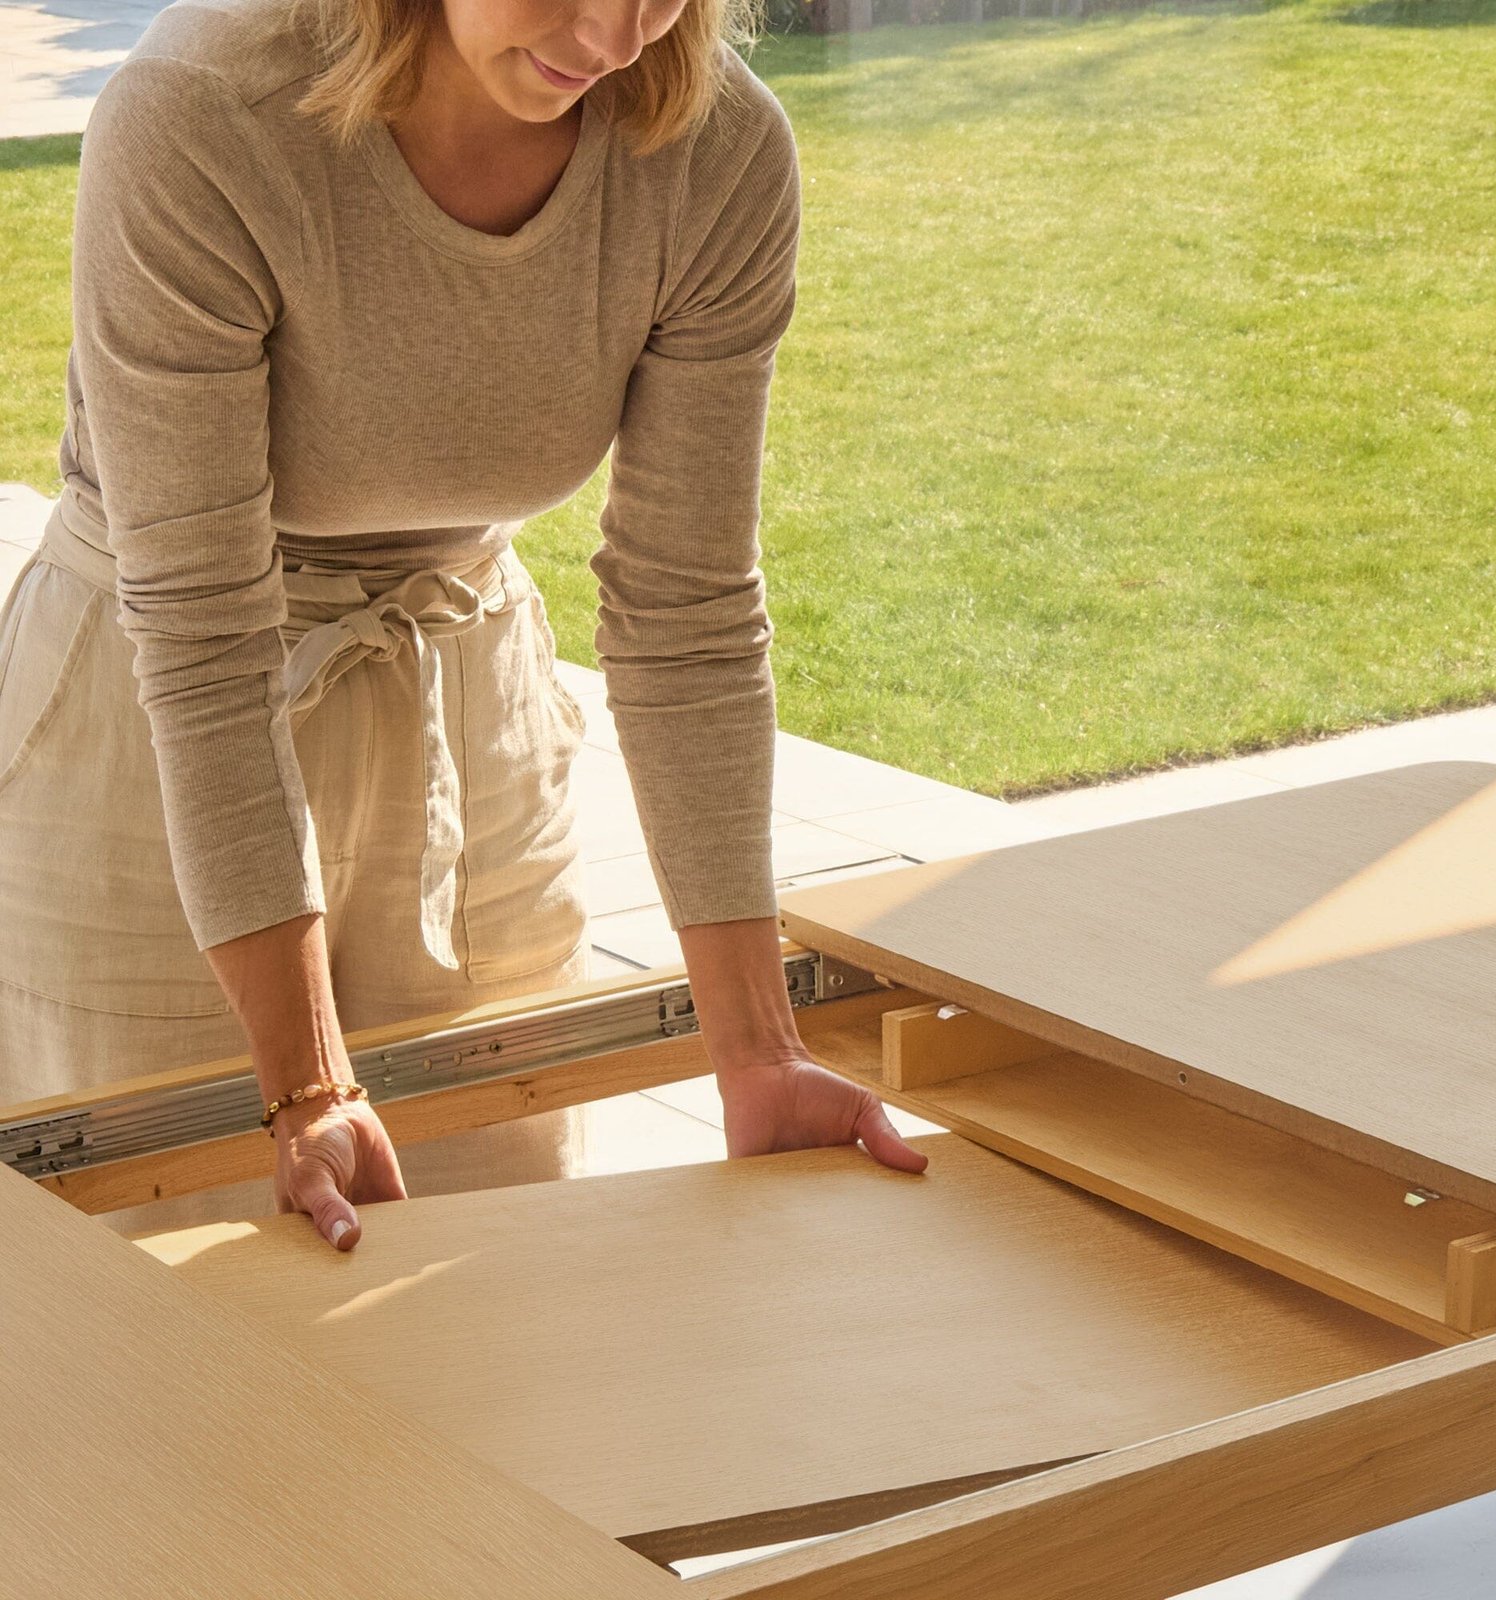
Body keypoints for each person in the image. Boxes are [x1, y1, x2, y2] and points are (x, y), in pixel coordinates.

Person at [0, 0, 928, 1244]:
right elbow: (208, 630)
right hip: (152, 714)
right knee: (173, 1309)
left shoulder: (714, 153)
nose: (611, 35)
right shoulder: (204, 114)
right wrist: (309, 1082)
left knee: (503, 1275)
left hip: (461, 681)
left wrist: (757, 1051)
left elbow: (686, 610)